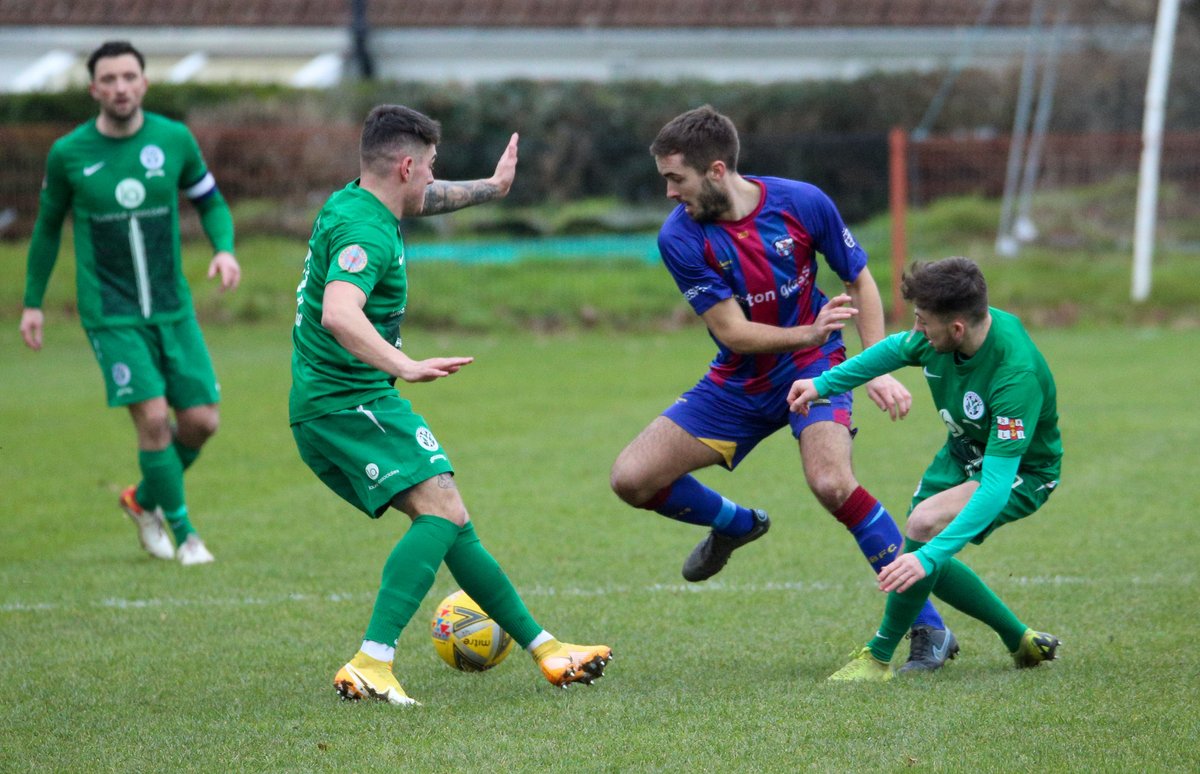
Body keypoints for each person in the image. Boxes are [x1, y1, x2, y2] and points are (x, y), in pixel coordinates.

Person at [609, 104, 957, 672]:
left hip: (818, 368)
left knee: (832, 483)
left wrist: (873, 365)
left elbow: (859, 280)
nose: (669, 193)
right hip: (739, 381)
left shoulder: (802, 203)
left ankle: (929, 627)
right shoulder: (680, 237)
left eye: (677, 178)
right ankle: (735, 524)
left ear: (716, 171)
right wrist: (807, 329)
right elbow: (732, 332)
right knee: (632, 478)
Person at [291, 104, 612, 706]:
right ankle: (371, 661)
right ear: (408, 165)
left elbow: (425, 199)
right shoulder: (366, 231)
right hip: (346, 402)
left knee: (451, 518)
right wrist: (404, 364)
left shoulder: (358, 201)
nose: (435, 180)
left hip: (342, 400)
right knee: (440, 509)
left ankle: (546, 650)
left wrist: (494, 188)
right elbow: (339, 312)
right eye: (431, 167)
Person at [787, 257, 1062, 680]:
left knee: (924, 530)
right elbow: (894, 350)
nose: (916, 331)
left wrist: (929, 555)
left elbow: (994, 486)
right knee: (923, 544)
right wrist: (824, 383)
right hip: (961, 453)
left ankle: (878, 657)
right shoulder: (943, 336)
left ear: (956, 328)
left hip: (1023, 471)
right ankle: (1019, 639)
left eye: (922, 322)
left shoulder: (1014, 374)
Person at [19, 41, 240, 566]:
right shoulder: (69, 153)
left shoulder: (174, 140)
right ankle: (186, 536)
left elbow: (210, 200)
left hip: (172, 306)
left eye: (128, 77)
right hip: (111, 312)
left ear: (143, 82)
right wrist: (33, 303)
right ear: (94, 88)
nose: (120, 87)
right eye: (109, 79)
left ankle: (142, 502)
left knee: (203, 422)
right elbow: (47, 230)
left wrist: (225, 249)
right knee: (154, 417)